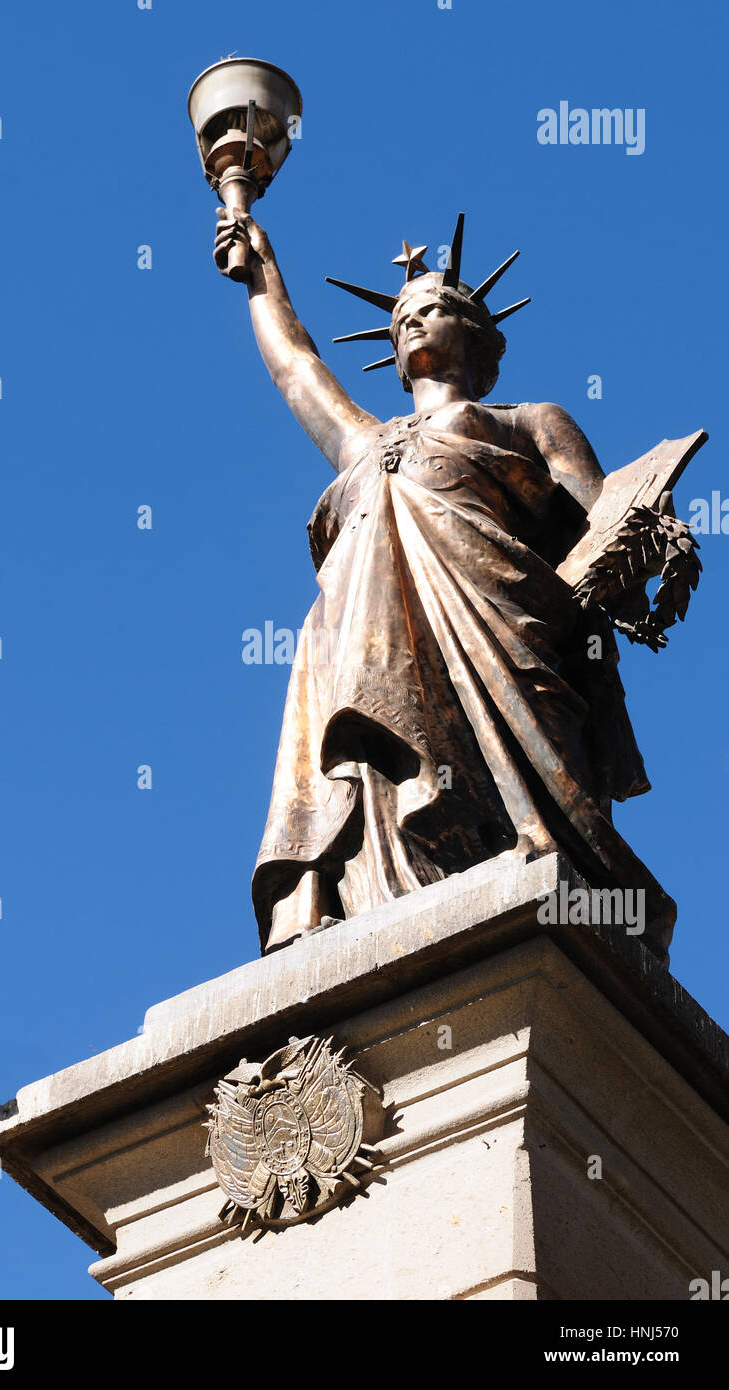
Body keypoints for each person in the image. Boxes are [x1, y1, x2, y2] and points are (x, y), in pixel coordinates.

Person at [214, 210, 674, 960]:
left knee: (525, 800)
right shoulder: (365, 441)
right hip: (359, 640)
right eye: (402, 319)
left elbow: (606, 517)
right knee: (371, 746)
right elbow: (298, 369)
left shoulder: (528, 421)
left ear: (478, 335)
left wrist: (650, 534)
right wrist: (261, 278)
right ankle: (369, 897)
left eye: (433, 310)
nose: (414, 323)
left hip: (500, 631)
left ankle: (525, 860)